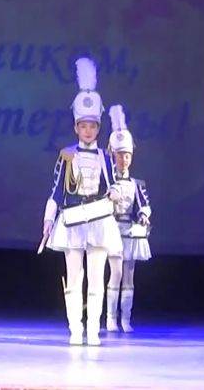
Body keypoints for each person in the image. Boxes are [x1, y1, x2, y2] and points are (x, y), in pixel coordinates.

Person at [42, 57, 123, 346]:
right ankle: (75, 328)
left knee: (97, 278)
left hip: (99, 220)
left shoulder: (105, 157)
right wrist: (48, 219)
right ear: (76, 127)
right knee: (74, 277)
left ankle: (93, 329)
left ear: (98, 128)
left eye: (92, 126)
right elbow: (56, 190)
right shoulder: (67, 155)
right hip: (73, 220)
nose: (88, 130)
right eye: (83, 126)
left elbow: (114, 185)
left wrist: (115, 193)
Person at [104, 105, 152, 333]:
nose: (123, 159)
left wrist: (143, 215)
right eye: (119, 155)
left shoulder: (136, 184)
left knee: (129, 277)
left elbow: (144, 205)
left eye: (126, 155)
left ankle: (126, 318)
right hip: (112, 230)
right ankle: (110, 318)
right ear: (112, 156)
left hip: (130, 233)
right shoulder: (107, 182)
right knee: (115, 273)